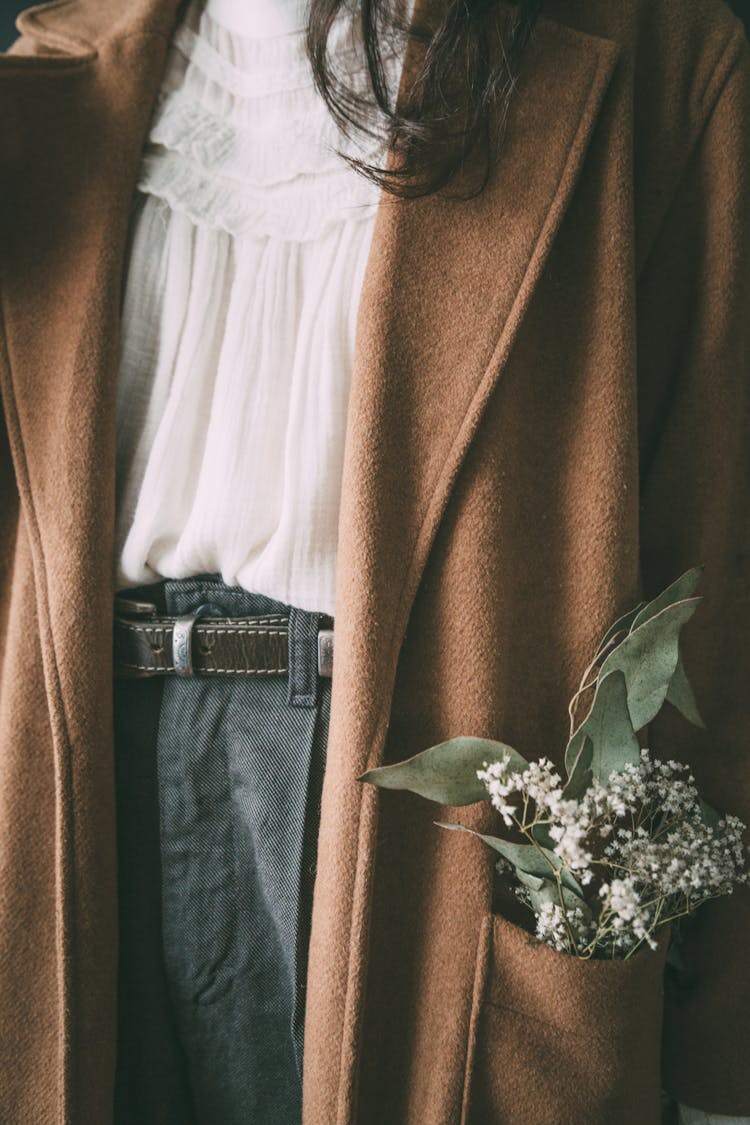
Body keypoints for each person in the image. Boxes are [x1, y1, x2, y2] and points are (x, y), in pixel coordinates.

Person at [0, 0, 748, 1123]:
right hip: (85, 775)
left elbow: (719, 560)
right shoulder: (57, 73)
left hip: (417, 816)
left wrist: (722, 1050)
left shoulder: (660, 55)